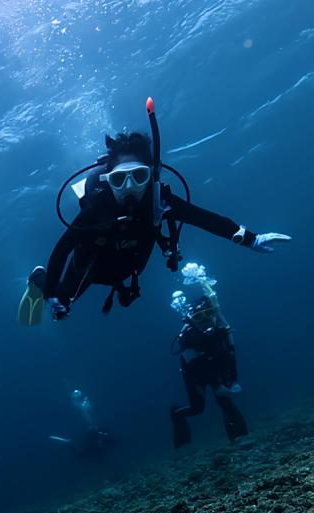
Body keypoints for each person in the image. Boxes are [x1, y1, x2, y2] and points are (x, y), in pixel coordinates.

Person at [18, 98, 290, 323]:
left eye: (138, 177)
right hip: (90, 267)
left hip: (126, 270)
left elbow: (202, 218)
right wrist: (52, 293)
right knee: (62, 302)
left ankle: (50, 289)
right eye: (119, 179)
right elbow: (63, 248)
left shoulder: (158, 200)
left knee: (65, 301)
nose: (129, 188)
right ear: (108, 179)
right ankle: (40, 282)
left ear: (150, 176)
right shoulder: (99, 207)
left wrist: (249, 238)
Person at [170, 294, 248, 448]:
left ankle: (239, 439)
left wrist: (233, 380)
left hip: (216, 366)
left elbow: (231, 354)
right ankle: (177, 415)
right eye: (198, 317)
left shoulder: (222, 329)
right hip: (195, 374)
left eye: (209, 314)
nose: (205, 320)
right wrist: (217, 385)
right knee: (198, 408)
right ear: (192, 319)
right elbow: (195, 364)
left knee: (225, 401)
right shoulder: (186, 336)